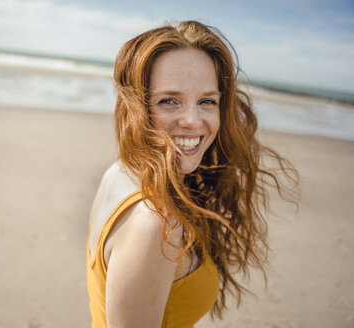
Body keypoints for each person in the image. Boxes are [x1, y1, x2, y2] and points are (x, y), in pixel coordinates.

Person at [86, 20, 298, 328]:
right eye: (169, 101)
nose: (191, 120)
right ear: (138, 106)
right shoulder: (155, 225)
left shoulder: (122, 170)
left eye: (207, 101)